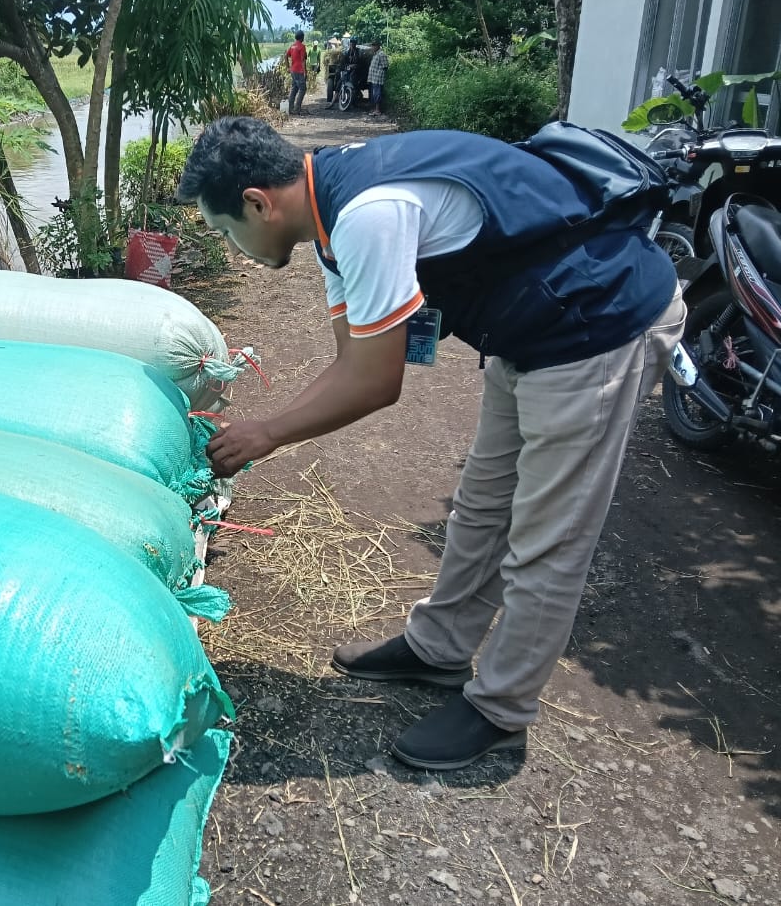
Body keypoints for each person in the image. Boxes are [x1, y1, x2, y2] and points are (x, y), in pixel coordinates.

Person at [176, 116, 684, 771]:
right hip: (530, 330)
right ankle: (439, 648)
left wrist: (268, 433)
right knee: (482, 507)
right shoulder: (326, 215)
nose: (235, 247)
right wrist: (270, 426)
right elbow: (355, 359)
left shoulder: (366, 214)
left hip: (599, 323)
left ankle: (501, 709)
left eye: (226, 231)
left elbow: (375, 382)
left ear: (256, 203)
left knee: (547, 540)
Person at [285, 31, 308, 115]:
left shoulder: (292, 46)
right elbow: (303, 60)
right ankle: (297, 109)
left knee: (294, 89)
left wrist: (288, 67)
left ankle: (290, 108)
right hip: (299, 71)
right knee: (303, 89)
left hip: (293, 71)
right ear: (302, 37)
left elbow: (286, 56)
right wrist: (305, 72)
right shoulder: (302, 46)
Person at [367, 40, 389, 116]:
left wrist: (379, 73)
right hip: (373, 78)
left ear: (378, 46)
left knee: (377, 94)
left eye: (374, 45)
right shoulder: (375, 54)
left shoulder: (381, 54)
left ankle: (378, 110)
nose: (373, 47)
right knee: (374, 94)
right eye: (372, 45)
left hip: (378, 78)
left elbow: (385, 66)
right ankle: (375, 110)